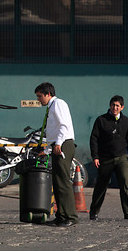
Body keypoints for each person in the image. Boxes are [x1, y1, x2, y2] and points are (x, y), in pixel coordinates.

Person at [34, 82, 78, 227]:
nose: (39, 99)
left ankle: (70, 216)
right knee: (57, 182)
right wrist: (47, 150)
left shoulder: (58, 104)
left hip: (63, 145)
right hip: (57, 146)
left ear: (48, 94)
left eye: (40, 96)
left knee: (63, 182)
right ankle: (61, 215)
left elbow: (63, 126)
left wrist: (58, 144)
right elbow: (53, 131)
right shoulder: (51, 107)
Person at [89, 95, 128, 221]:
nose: (115, 108)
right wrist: (95, 156)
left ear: (122, 107)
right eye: (113, 105)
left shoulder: (126, 121)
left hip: (121, 157)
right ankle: (94, 211)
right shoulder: (101, 120)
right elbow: (94, 138)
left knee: (125, 184)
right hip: (105, 158)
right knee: (101, 185)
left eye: (117, 106)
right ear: (110, 106)